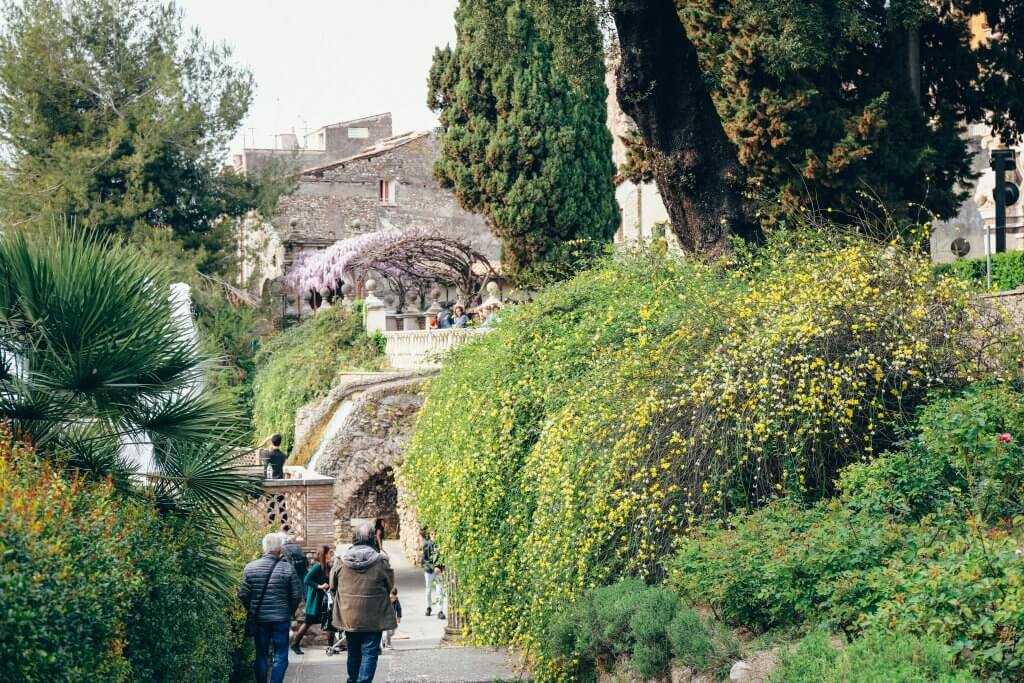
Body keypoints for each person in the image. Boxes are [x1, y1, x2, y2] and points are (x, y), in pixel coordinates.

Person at [331, 522, 397, 683]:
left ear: (354, 538)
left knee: (353, 652)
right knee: (370, 652)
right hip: (374, 615)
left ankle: (352, 680)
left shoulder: (341, 561)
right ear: (373, 538)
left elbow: (333, 585)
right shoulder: (381, 561)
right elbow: (390, 585)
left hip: (349, 614)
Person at [239, 532, 302, 683]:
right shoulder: (287, 569)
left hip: (260, 619)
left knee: (261, 654)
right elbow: (296, 595)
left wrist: (252, 608)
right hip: (281, 619)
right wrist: (288, 611)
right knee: (281, 654)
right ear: (280, 548)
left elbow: (243, 593)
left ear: (264, 548)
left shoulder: (250, 568)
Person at [292, 545, 333, 655]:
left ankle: (331, 647)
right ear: (324, 554)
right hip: (315, 602)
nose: (331, 555)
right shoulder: (317, 567)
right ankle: (295, 644)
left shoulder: (328, 567)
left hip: (324, 602)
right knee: (308, 623)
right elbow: (306, 580)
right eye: (329, 553)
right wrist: (319, 586)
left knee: (329, 623)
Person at [422, 530, 441, 616]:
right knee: (428, 589)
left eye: (435, 534)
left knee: (439, 590)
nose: (434, 535)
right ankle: (428, 607)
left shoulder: (440, 544)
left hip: (439, 571)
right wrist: (433, 568)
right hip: (429, 571)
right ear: (430, 534)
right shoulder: (426, 544)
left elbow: (443, 558)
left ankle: (440, 610)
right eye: (432, 534)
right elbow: (425, 560)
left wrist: (440, 567)